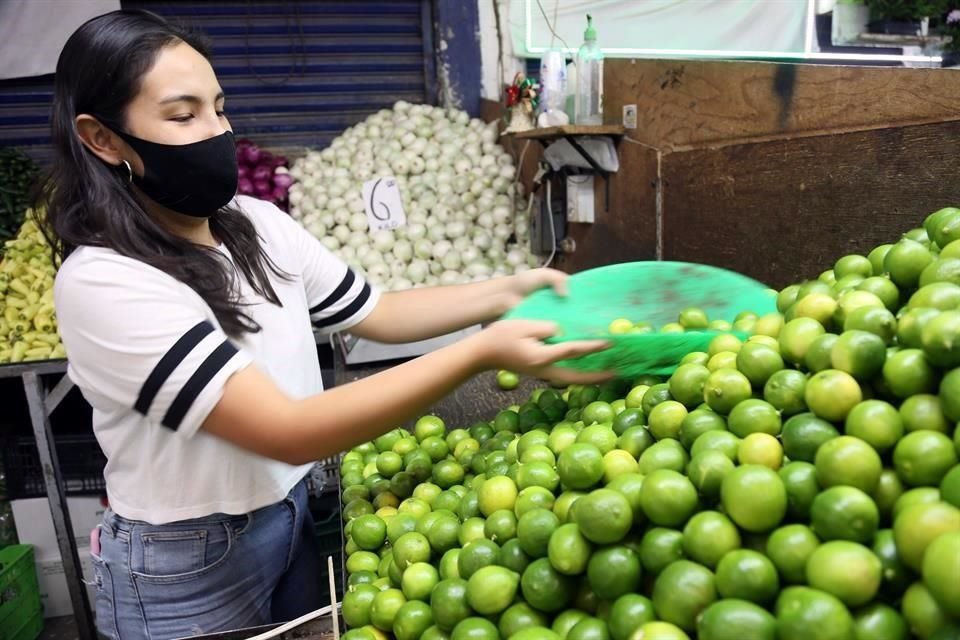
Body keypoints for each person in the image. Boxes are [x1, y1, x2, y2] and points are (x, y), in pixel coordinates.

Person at [38, 9, 609, 640]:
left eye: (219, 108)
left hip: (292, 517)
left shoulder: (253, 223)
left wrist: (511, 290)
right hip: (185, 565)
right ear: (102, 138)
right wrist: (482, 353)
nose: (215, 131)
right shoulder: (106, 282)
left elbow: (380, 312)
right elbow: (289, 431)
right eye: (182, 115)